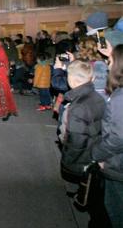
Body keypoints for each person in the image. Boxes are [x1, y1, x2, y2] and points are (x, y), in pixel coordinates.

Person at [57, 60, 108, 226]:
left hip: (84, 152)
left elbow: (75, 141)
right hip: (96, 147)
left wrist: (68, 162)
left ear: (72, 81)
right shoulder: (98, 97)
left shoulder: (78, 106)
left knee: (91, 194)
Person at [91, 44, 123, 226]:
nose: (108, 65)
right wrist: (111, 53)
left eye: (110, 61)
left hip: (117, 165)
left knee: (115, 213)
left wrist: (97, 154)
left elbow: (118, 137)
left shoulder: (120, 98)